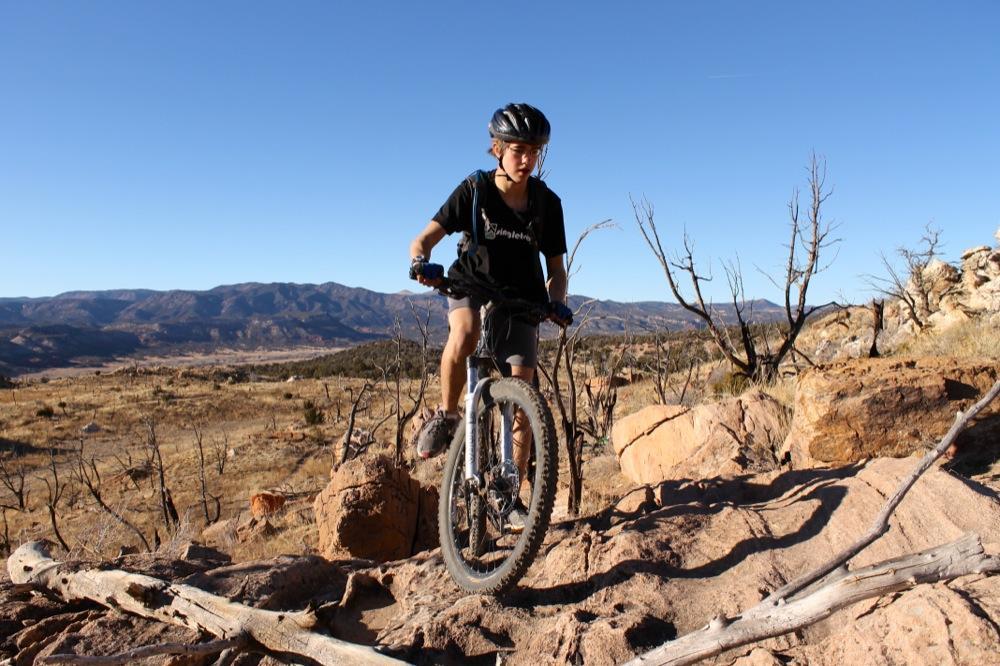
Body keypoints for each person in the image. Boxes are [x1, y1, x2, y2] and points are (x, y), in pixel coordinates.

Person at [408, 103, 572, 528]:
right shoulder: (475, 189)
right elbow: (425, 237)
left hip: (522, 297)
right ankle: (446, 416)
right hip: (470, 284)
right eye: (518, 149)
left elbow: (556, 270)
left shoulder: (546, 204)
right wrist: (419, 261)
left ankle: (511, 493)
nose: (527, 159)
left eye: (534, 151)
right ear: (497, 148)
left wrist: (555, 300)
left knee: (524, 391)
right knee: (464, 334)